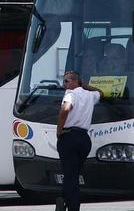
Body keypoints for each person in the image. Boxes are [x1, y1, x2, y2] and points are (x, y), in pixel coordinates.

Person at [55, 71, 102, 211]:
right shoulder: (90, 95)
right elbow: (100, 92)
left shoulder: (71, 94)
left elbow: (65, 109)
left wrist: (59, 130)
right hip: (84, 139)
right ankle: (63, 200)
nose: (64, 84)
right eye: (64, 81)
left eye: (67, 81)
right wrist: (86, 86)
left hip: (69, 136)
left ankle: (73, 206)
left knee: (70, 176)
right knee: (73, 173)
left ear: (76, 81)